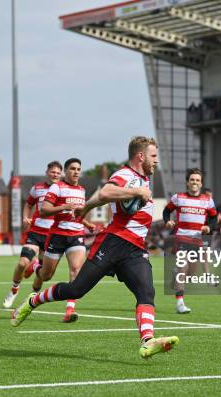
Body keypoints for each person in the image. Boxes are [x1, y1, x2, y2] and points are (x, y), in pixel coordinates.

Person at [11, 136, 179, 359]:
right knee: (75, 289)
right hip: (113, 243)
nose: (157, 161)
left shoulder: (143, 179)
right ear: (141, 156)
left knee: (146, 291)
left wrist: (86, 207)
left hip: (135, 249)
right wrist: (137, 192)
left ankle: (147, 341)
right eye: (154, 156)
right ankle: (33, 301)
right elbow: (107, 192)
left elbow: (99, 198)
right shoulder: (125, 175)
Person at [30, 158, 95, 323]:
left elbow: (78, 213)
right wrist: (63, 207)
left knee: (76, 271)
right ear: (66, 171)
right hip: (58, 235)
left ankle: (69, 311)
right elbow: (44, 210)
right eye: (72, 169)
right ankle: (35, 266)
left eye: (79, 169)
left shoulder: (82, 190)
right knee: (46, 275)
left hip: (76, 235)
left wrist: (87, 223)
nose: (76, 172)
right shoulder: (56, 187)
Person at [3, 161, 62, 308]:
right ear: (47, 172)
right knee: (23, 262)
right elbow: (28, 204)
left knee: (43, 274)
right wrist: (25, 217)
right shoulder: (37, 188)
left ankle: (32, 296)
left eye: (58, 172)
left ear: (61, 175)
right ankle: (14, 290)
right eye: (52, 172)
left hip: (52, 236)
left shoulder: (63, 190)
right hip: (35, 232)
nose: (55, 174)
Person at [163, 168, 217, 314]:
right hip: (181, 238)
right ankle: (180, 303)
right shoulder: (178, 197)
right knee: (183, 268)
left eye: (197, 180)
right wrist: (167, 221)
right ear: (187, 182)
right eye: (192, 179)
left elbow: (214, 218)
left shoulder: (207, 200)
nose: (195, 182)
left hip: (197, 241)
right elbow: (166, 211)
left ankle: (176, 277)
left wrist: (208, 227)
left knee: (191, 274)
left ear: (201, 183)